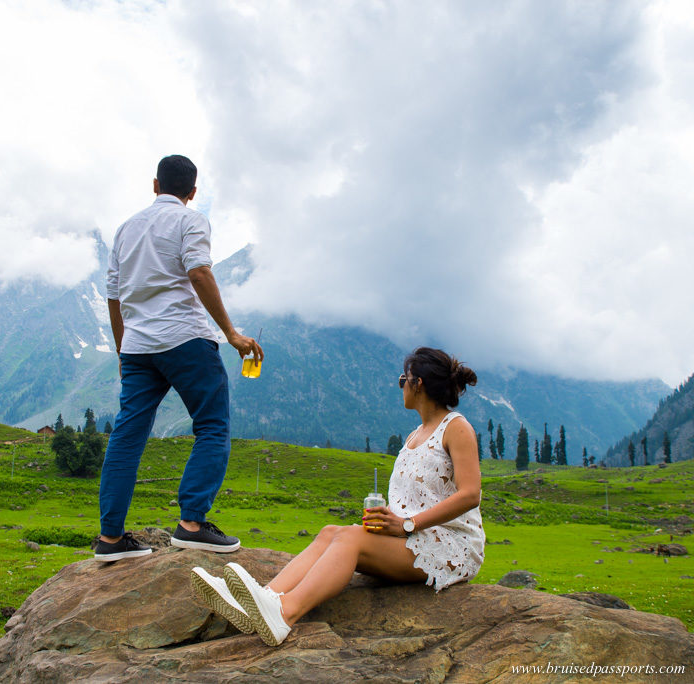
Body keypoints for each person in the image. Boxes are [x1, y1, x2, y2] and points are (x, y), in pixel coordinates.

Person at [191, 347, 484, 645]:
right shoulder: (415, 434)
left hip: (449, 546)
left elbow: (470, 494)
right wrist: (390, 520)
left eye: (402, 379)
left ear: (417, 383)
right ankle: (263, 599)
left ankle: (284, 614)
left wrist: (407, 524)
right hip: (413, 538)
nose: (400, 387)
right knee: (332, 531)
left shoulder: (456, 428)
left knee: (349, 538)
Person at [94, 155, 264, 562]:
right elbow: (199, 273)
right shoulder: (192, 220)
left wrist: (123, 351)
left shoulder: (125, 229)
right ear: (192, 192)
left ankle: (111, 540)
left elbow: (114, 296)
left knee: (126, 437)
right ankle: (191, 525)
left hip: (137, 348)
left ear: (155, 185)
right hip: (184, 339)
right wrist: (231, 334)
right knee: (211, 424)